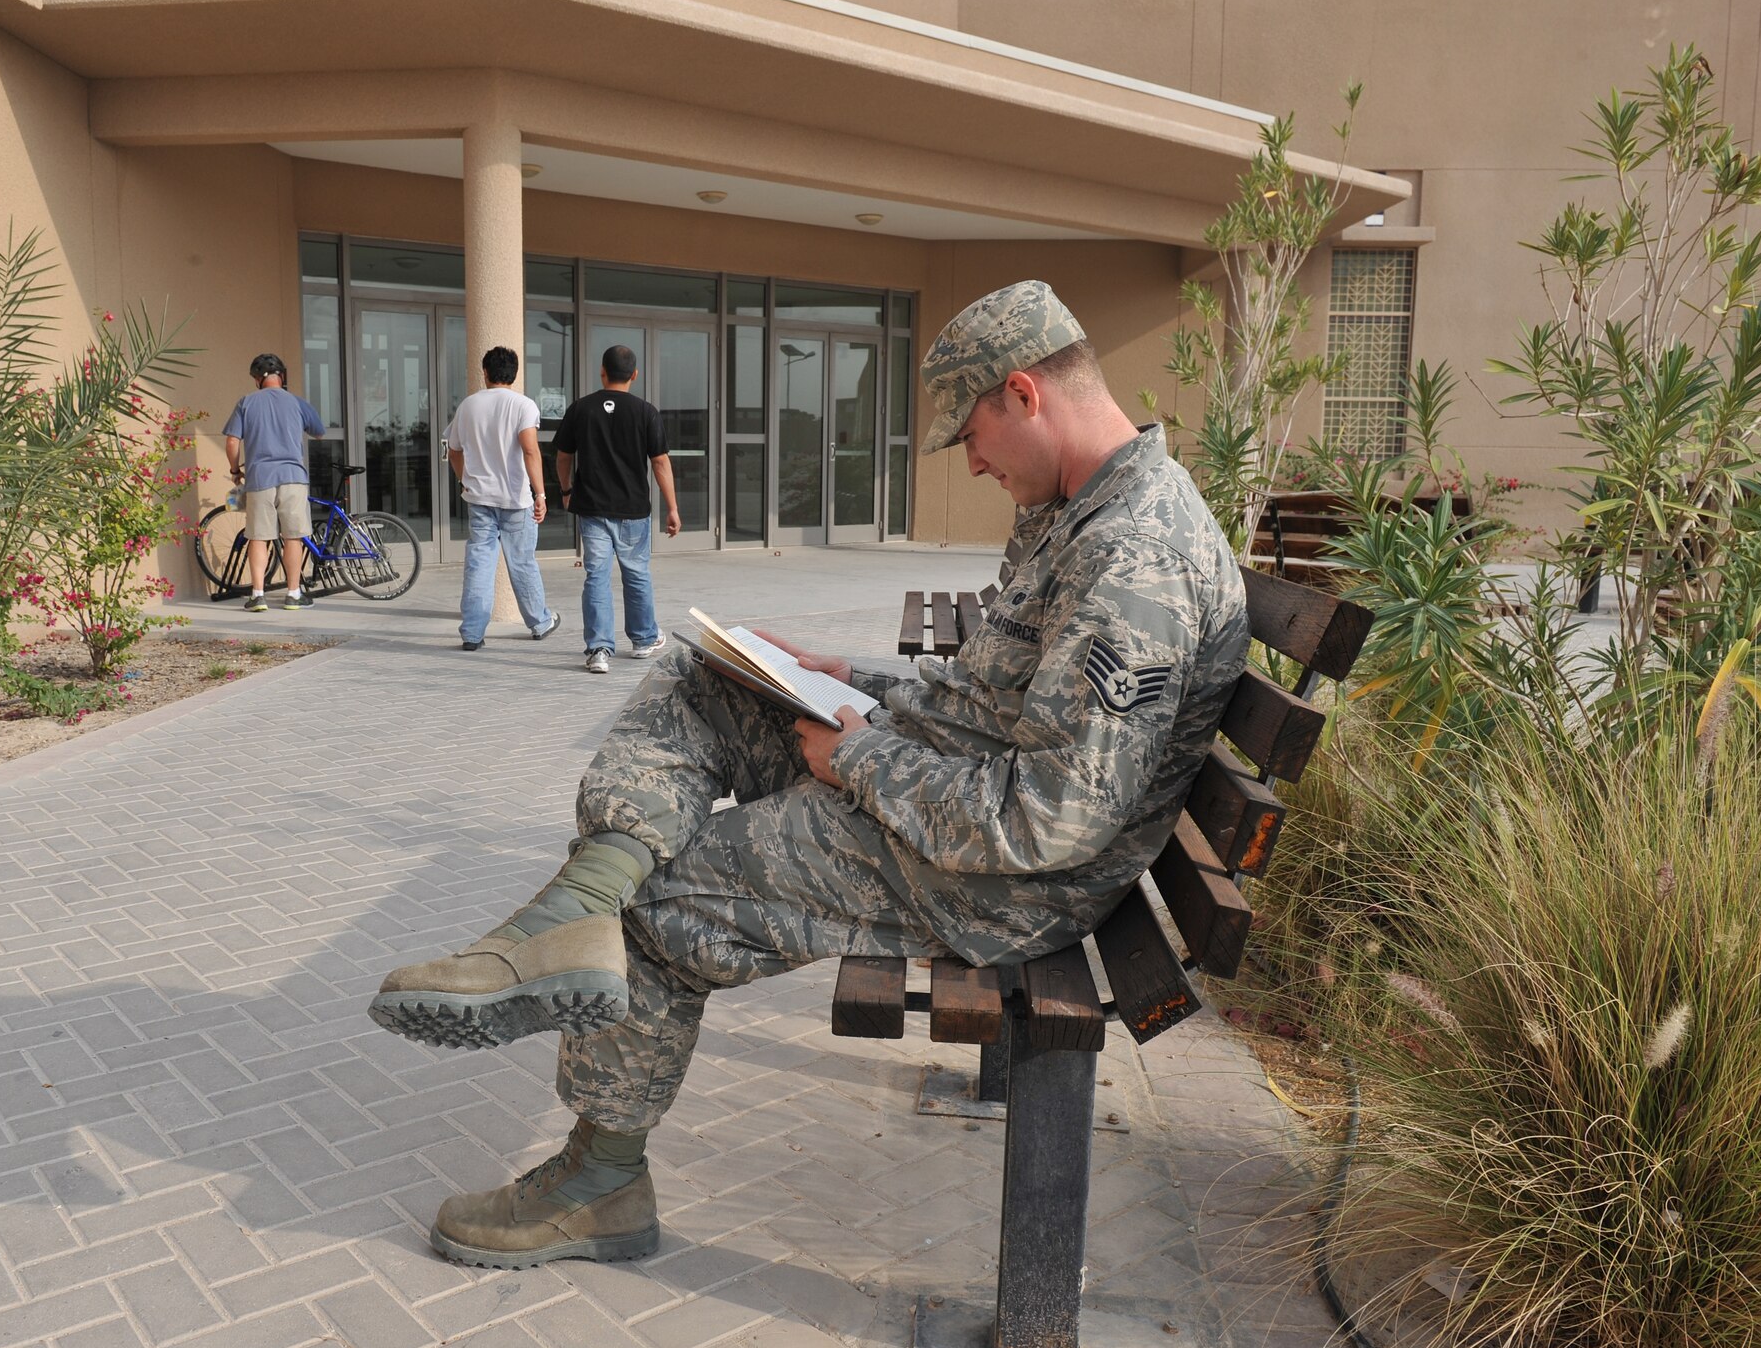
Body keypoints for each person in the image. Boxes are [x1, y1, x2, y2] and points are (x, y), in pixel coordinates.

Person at [366, 281, 1250, 1271]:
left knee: (666, 902)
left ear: (1022, 394)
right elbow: (996, 707)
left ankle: (599, 1181)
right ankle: (568, 911)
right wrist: (845, 683)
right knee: (702, 678)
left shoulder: (1133, 549)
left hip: (1001, 881)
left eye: (967, 433)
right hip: (948, 792)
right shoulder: (1080, 505)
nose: (970, 460)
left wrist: (861, 756)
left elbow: (1046, 822)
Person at [553, 346, 680, 674]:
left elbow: (563, 455)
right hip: (633, 509)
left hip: (592, 507)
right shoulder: (645, 411)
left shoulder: (581, 408)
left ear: (602, 371)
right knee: (636, 573)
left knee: (596, 575)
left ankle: (598, 651)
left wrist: (566, 490)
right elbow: (661, 462)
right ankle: (642, 639)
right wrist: (673, 508)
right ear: (634, 375)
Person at [446, 345, 563, 650]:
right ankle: (539, 622)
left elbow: (454, 449)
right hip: (515, 499)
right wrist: (540, 493)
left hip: (479, 499)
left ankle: (472, 634)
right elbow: (530, 450)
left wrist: (465, 480)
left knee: (479, 564)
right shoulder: (523, 405)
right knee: (522, 561)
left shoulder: (468, 406)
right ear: (514, 374)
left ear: (485, 373)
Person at [223, 354, 326, 612]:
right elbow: (320, 431)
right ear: (281, 376)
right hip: (293, 477)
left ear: (258, 379)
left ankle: (257, 595)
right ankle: (293, 594)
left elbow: (232, 442)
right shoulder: (297, 402)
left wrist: (235, 469)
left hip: (260, 479)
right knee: (293, 536)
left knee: (258, 537)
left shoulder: (246, 402)